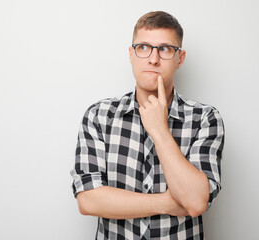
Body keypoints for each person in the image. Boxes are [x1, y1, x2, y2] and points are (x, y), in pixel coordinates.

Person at [70, 11, 225, 239]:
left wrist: (160, 130)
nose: (153, 59)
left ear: (179, 59)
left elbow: (194, 202)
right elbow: (88, 200)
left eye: (165, 49)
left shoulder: (205, 118)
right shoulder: (99, 116)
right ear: (131, 54)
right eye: (143, 47)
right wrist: (166, 202)